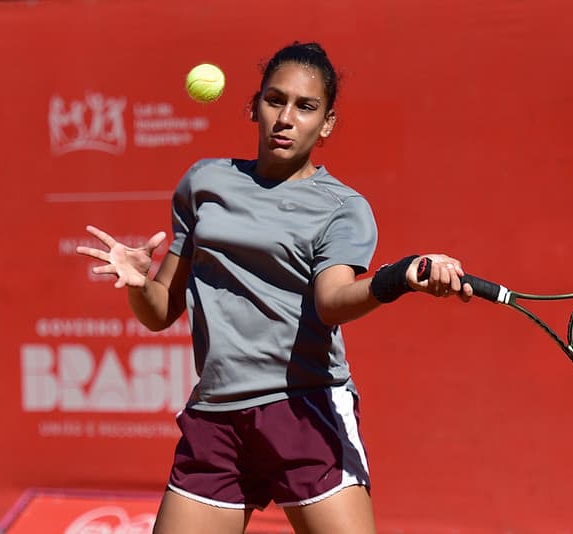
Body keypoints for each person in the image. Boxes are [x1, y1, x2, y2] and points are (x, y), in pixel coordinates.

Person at [77, 41, 472, 534]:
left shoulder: (341, 208)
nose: (286, 118)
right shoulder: (204, 184)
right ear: (254, 106)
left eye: (306, 107)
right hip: (218, 417)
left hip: (304, 411)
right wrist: (138, 283)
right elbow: (159, 312)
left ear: (326, 123)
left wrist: (397, 278)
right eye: (274, 100)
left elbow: (331, 303)